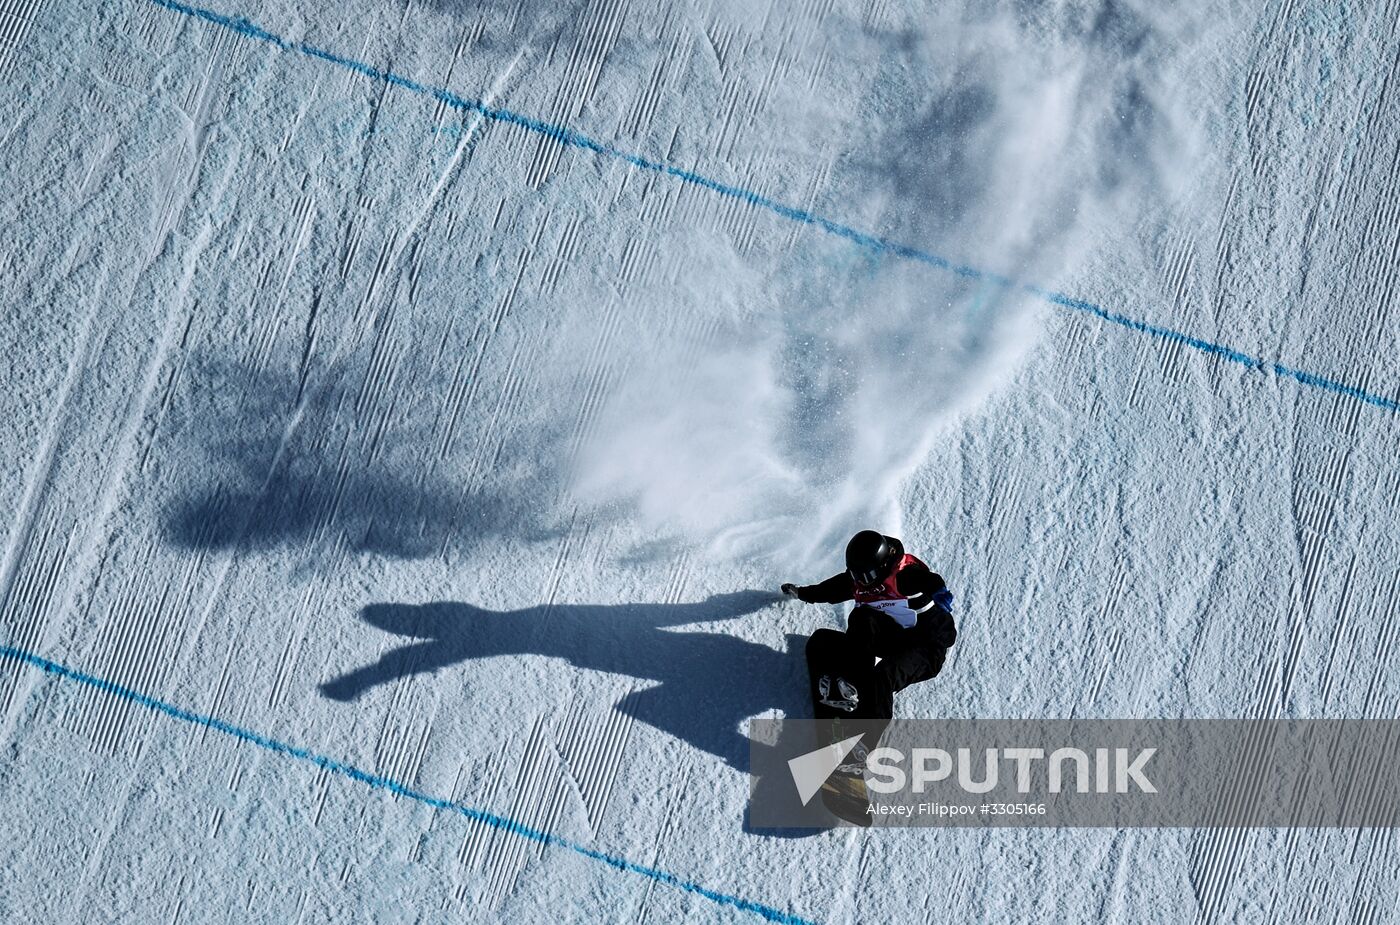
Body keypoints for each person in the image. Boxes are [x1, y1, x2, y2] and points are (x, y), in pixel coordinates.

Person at [781, 530, 956, 720]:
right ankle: (853, 683)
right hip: (896, 638)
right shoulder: (860, 580)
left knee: (883, 676)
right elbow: (829, 590)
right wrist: (800, 593)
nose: (861, 582)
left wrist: (938, 590)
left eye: (866, 576)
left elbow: (927, 580)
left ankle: (867, 735)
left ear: (882, 566)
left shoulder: (904, 576)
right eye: (856, 575)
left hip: (925, 649)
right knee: (843, 628)